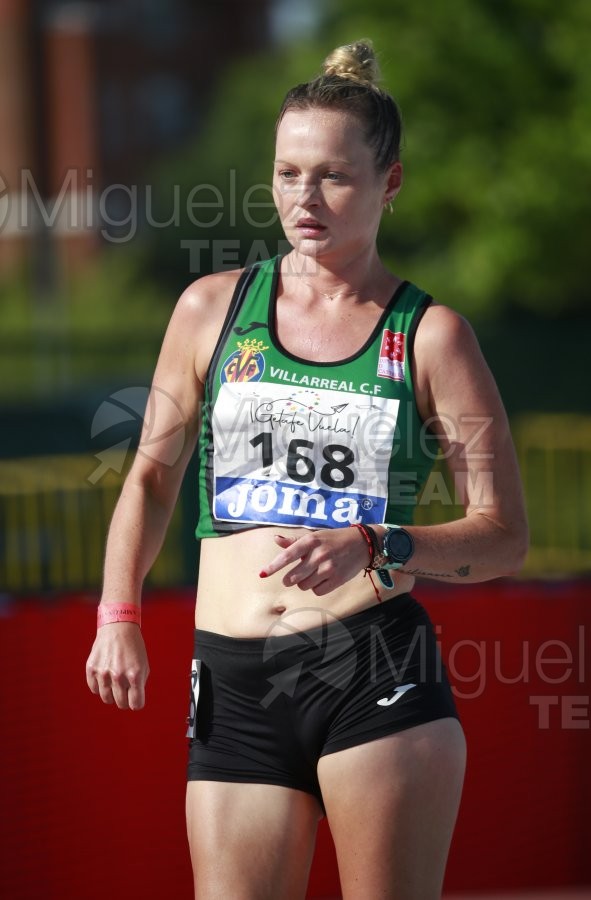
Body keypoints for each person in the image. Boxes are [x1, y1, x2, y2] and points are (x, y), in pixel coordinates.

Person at [86, 39, 528, 900]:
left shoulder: (431, 337)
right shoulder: (212, 309)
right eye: (288, 173)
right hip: (234, 681)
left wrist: (376, 541)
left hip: (372, 671)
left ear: (388, 183)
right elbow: (147, 478)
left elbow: (504, 538)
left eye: (332, 175)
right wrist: (117, 613)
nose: (305, 198)